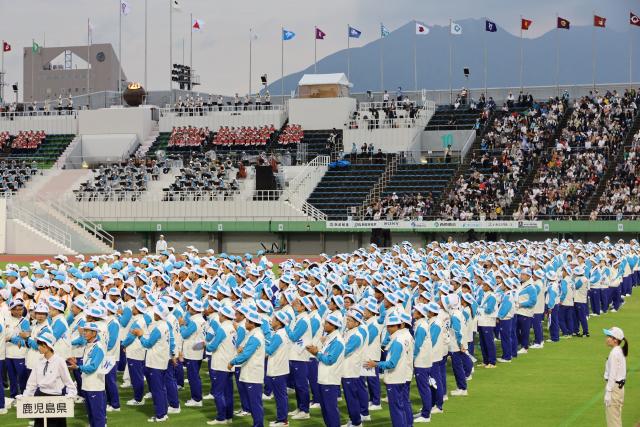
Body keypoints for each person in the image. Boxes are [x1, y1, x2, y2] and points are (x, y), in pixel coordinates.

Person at [22, 330, 77, 427]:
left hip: (56, 399)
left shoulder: (59, 361)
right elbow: (32, 383)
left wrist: (70, 397)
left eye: (40, 345)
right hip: (40, 396)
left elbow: (69, 383)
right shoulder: (39, 361)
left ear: (47, 346)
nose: (38, 347)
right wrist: (25, 397)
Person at [228, 309, 265, 427]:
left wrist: (233, 362)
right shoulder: (254, 333)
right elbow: (246, 350)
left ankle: (258, 425)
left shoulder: (256, 335)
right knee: (253, 403)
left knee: (255, 403)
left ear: (252, 323)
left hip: (253, 374)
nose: (245, 323)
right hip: (250, 372)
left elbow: (246, 355)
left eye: (247, 321)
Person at [307, 313, 344, 427]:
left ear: (333, 326)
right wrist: (318, 352)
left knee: (330, 410)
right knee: (325, 410)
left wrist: (316, 353)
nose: (324, 324)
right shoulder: (330, 339)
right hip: (324, 378)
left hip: (330, 380)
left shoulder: (338, 341)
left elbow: (329, 360)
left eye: (327, 323)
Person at [68, 322, 106, 427]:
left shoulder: (98, 347)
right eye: (84, 330)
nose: (84, 333)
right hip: (88, 384)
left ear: (94, 333)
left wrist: (78, 367)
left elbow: (93, 367)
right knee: (91, 414)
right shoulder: (89, 345)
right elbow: (88, 363)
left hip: (95, 386)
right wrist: (76, 363)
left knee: (97, 415)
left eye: (87, 331)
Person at [603, 327, 628, 427]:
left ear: (615, 340)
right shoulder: (619, 351)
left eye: (609, 336)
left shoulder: (614, 353)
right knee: (616, 419)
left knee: (613, 422)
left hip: (614, 389)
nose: (606, 338)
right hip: (618, 388)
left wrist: (608, 392)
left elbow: (612, 374)